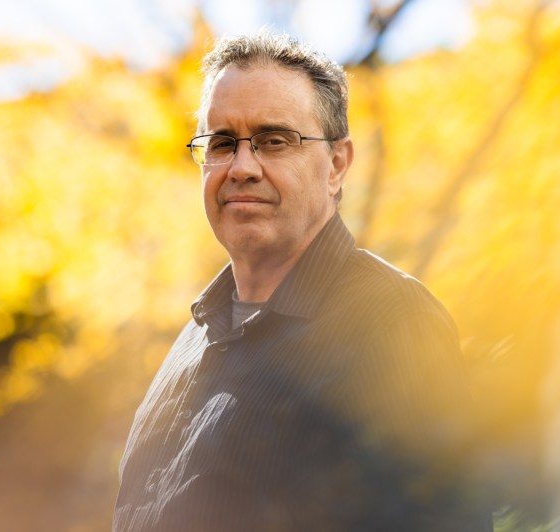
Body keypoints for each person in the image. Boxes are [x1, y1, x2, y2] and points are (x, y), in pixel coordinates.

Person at [113, 31, 490, 531]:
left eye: (274, 140)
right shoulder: (195, 335)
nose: (242, 167)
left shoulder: (393, 323)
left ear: (336, 165)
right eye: (222, 143)